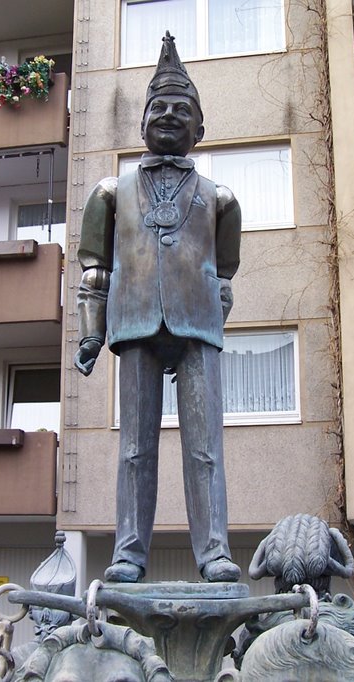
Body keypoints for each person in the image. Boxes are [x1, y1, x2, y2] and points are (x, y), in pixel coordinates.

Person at [74, 32, 242, 584]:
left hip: (197, 326)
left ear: (201, 128)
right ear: (141, 121)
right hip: (135, 319)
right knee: (135, 448)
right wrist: (90, 336)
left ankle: (214, 550)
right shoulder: (109, 190)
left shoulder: (222, 198)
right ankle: (128, 551)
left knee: (205, 446)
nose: (170, 117)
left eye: (182, 111)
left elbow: (224, 273)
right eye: (159, 108)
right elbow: (94, 270)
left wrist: (216, 318)